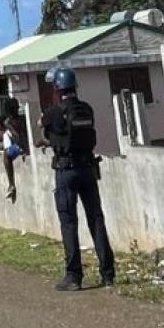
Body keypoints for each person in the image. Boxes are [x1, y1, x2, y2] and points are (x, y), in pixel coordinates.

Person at [39, 69, 116, 291]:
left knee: (69, 222)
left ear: (57, 89)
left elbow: (43, 128)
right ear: (75, 87)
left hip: (66, 171)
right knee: (96, 220)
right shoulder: (86, 109)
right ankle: (107, 273)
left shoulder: (54, 112)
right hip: (88, 168)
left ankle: (73, 276)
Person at [0, 117, 20, 203]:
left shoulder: (8, 132)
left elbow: (16, 139)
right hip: (16, 147)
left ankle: (11, 184)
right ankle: (11, 184)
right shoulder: (6, 133)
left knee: (6, 155)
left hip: (18, 147)